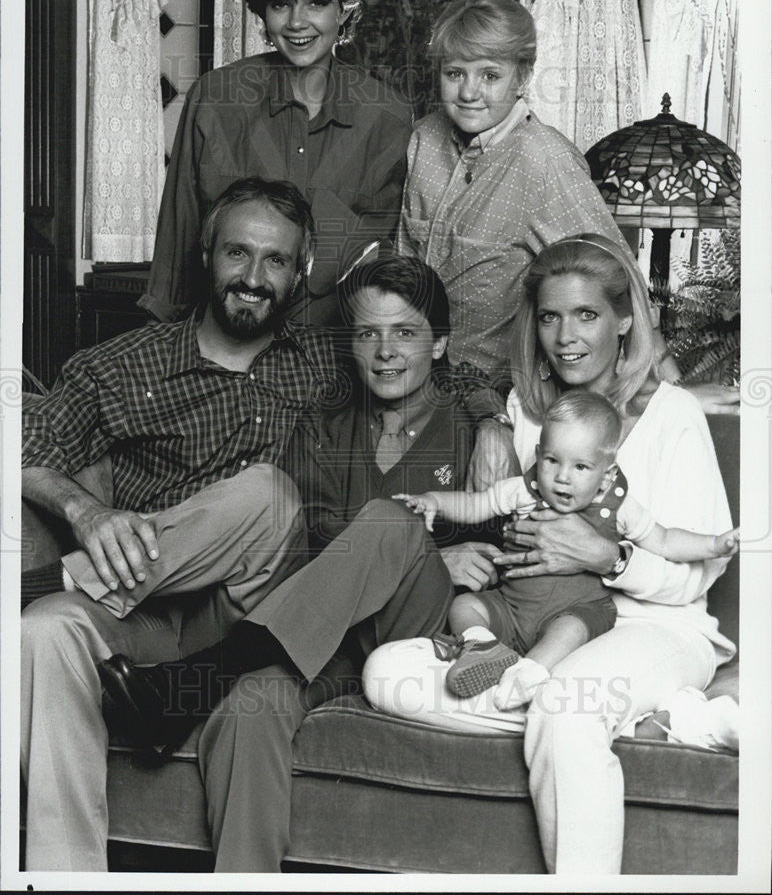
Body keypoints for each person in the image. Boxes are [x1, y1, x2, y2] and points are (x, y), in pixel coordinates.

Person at [98, 255, 501, 872]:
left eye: (406, 333)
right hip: (321, 641)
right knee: (248, 708)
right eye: (369, 333)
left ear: (440, 344)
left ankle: (199, 677)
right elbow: (302, 550)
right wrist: (403, 550)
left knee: (392, 522)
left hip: (418, 639)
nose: (386, 352)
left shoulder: (476, 433)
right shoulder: (323, 426)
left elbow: (501, 557)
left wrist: (429, 554)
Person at [363, 234, 737, 874]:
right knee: (386, 672)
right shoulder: (528, 412)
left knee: (569, 707)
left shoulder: (674, 415)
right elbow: (498, 505)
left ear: (624, 321)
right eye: (549, 316)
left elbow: (697, 576)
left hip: (657, 626)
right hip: (534, 628)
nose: (566, 335)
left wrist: (607, 557)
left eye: (587, 315)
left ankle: (580, 713)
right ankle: (625, 714)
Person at [20, 176, 339, 871]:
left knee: (266, 495)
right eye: (238, 254)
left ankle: (59, 578)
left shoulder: (327, 364)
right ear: (206, 252)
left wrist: (492, 423)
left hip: (249, 623)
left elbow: (431, 366)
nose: (253, 279)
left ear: (302, 270)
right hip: (147, 623)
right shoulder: (131, 363)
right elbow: (24, 441)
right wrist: (85, 508)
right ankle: (65, 876)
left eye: (275, 261)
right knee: (39, 631)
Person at [397, 0, 740, 422]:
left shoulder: (544, 159)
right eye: (454, 73)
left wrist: (670, 396)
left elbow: (619, 277)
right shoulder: (424, 140)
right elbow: (403, 273)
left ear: (521, 78)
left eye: (490, 76)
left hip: (501, 400)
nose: (469, 92)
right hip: (418, 388)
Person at [140, 0, 412, 327]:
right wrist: (160, 336)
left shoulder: (387, 116)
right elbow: (179, 234)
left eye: (316, 3)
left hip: (330, 354)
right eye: (281, 5)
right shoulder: (216, 98)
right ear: (262, 14)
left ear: (343, 7)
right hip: (222, 342)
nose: (297, 22)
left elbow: (381, 258)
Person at [396, 390, 738, 703]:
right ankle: (481, 644)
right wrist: (434, 501)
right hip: (511, 605)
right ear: (538, 456)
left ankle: (528, 674)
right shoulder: (523, 491)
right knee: (466, 605)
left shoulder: (618, 507)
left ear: (606, 475)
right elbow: (476, 504)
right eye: (552, 461)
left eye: (581, 467)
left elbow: (665, 541)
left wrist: (713, 544)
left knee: (569, 631)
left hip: (576, 610)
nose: (562, 477)